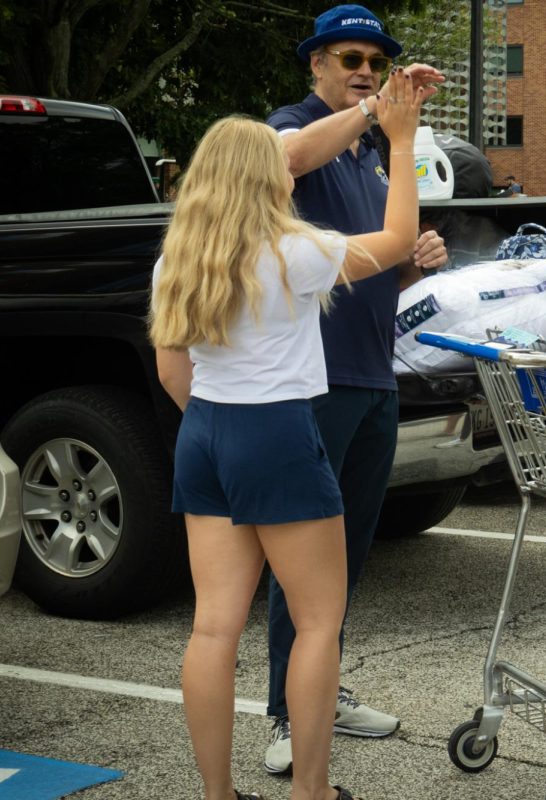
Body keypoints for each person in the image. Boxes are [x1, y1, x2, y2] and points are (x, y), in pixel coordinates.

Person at [148, 70, 424, 800]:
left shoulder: (174, 260)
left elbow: (171, 368)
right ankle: (311, 792)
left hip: (205, 431)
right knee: (316, 622)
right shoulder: (292, 251)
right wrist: (399, 142)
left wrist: (219, 429)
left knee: (214, 629)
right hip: (276, 432)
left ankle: (217, 794)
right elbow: (399, 240)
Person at [262, 4, 448, 775]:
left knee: (348, 551)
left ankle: (321, 690)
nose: (364, 71)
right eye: (349, 59)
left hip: (374, 374)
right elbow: (290, 161)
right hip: (315, 379)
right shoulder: (295, 127)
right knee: (303, 557)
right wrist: (377, 112)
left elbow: (363, 260)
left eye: (374, 62)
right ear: (316, 65)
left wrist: (412, 262)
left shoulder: (374, 153)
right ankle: (282, 713)